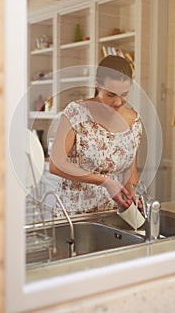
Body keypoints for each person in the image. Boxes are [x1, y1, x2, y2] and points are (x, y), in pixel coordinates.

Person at [49, 55, 143, 217]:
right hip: (74, 212)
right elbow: (56, 165)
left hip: (111, 211)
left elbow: (130, 169)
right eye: (111, 95)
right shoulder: (76, 113)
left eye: (124, 94)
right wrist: (105, 182)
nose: (118, 102)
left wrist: (132, 195)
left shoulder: (134, 121)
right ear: (97, 85)